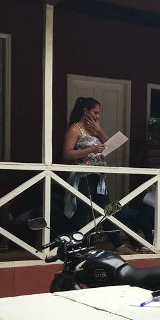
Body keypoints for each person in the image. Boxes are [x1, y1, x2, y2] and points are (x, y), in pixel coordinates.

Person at [62, 97, 133, 255]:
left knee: (107, 210)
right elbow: (67, 154)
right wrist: (91, 149)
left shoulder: (94, 131)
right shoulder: (75, 129)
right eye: (95, 112)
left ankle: (118, 245)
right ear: (85, 111)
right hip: (83, 177)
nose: (98, 116)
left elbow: (109, 146)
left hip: (98, 177)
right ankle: (75, 247)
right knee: (81, 212)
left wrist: (98, 129)